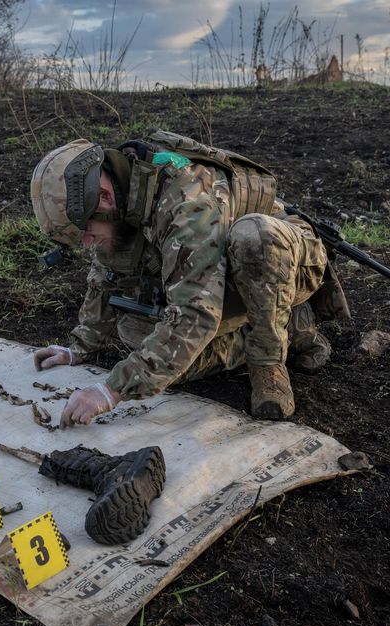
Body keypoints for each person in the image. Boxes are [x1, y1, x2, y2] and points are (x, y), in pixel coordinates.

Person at [28, 130, 350, 427]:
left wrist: (111, 390)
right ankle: (261, 333)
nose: (86, 244)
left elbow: (195, 313)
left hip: (283, 263)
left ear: (105, 198)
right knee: (143, 341)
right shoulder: (119, 198)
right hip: (220, 274)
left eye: (84, 233)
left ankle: (271, 355)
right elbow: (106, 272)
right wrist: (80, 346)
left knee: (253, 238)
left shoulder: (186, 198)